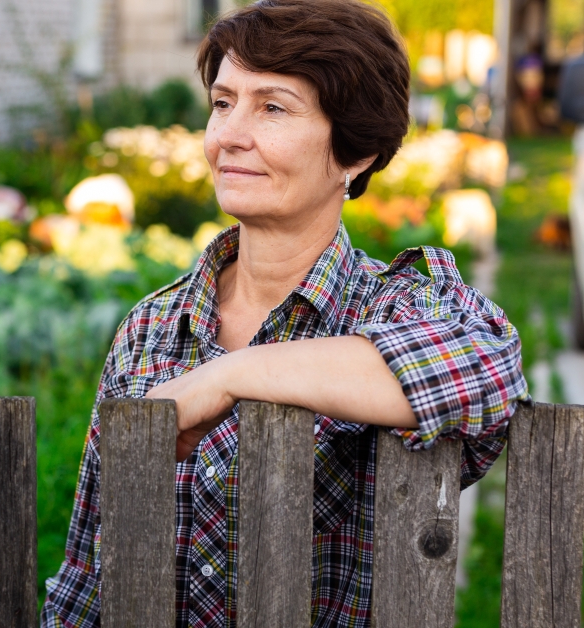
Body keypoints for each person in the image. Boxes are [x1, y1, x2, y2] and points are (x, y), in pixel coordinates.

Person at [41, 0, 529, 626]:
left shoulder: (396, 306)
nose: (229, 135)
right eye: (223, 103)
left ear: (354, 153)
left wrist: (227, 376)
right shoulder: (152, 329)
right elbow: (89, 571)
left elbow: (488, 367)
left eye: (272, 107)